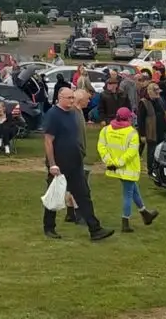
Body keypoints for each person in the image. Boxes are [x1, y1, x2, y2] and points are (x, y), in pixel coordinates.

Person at [40, 87, 113, 241]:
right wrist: (52, 164)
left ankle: (95, 229)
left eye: (73, 98)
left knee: (83, 195)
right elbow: (48, 141)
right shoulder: (53, 115)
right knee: (54, 194)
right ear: (60, 97)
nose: (72, 101)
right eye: (68, 98)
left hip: (75, 162)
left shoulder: (72, 114)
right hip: (59, 164)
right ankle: (49, 227)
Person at [98, 106, 158, 232]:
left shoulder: (106, 130)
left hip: (114, 168)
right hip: (128, 168)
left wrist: (110, 162)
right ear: (128, 118)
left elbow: (101, 147)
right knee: (128, 194)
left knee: (133, 189)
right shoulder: (131, 132)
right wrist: (119, 163)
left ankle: (145, 213)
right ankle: (125, 222)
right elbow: (131, 152)